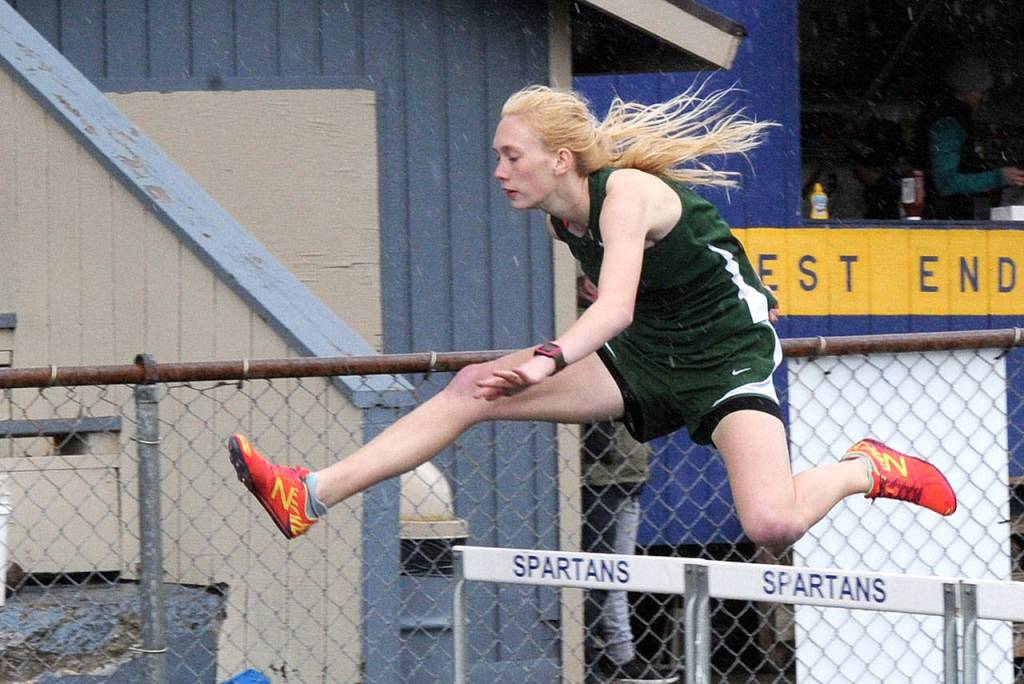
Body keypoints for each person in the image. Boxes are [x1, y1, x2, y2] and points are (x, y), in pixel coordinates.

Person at [226, 85, 957, 559]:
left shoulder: (626, 192)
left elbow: (615, 306)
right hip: (648, 353)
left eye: (511, 156)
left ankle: (869, 467)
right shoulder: (565, 217)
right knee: (475, 387)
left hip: (727, 357)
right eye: (498, 157)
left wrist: (546, 359)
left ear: (561, 157)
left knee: (772, 525)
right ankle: (308, 493)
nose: (500, 170)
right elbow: (632, 290)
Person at [577, 275, 676, 684]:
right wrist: (600, 448)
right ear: (586, 287)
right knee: (608, 573)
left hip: (625, 472)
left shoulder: (620, 330)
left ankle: (612, 654)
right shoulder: (588, 334)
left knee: (616, 570)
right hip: (607, 474)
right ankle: (616, 657)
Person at [913, 52, 1024, 220]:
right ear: (969, 92)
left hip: (948, 217)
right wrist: (999, 177)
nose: (984, 97)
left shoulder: (947, 117)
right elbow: (946, 183)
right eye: (982, 91)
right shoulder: (949, 124)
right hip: (942, 221)